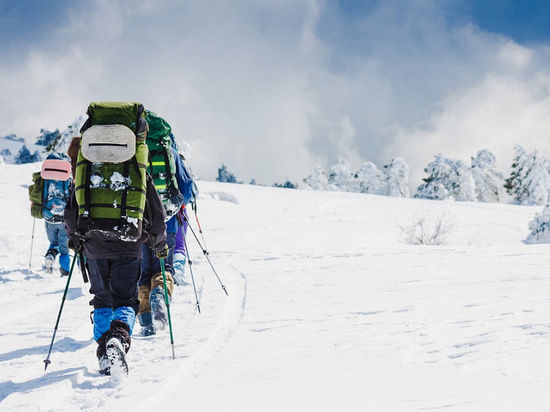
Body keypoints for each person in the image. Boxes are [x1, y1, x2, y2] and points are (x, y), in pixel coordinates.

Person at [137, 146, 196, 336]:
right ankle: (161, 291)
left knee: (143, 271)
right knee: (164, 266)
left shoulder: (133, 148)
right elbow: (188, 191)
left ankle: (146, 320)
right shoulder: (170, 152)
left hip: (138, 222)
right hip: (167, 222)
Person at [40, 152, 73, 276]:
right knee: (64, 249)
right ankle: (65, 271)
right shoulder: (68, 178)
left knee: (53, 243)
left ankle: (50, 255)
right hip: (64, 219)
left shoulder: (44, 177)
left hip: (49, 217)